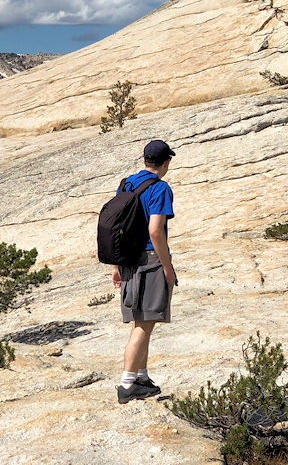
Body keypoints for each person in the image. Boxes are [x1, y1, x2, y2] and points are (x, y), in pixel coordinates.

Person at [113, 139, 178, 403]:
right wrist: (167, 266)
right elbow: (155, 231)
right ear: (166, 162)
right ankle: (127, 384)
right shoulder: (160, 189)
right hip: (150, 259)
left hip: (128, 259)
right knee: (143, 323)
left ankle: (141, 376)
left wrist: (116, 266)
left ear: (144, 160)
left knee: (144, 321)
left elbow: (117, 227)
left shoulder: (126, 184)